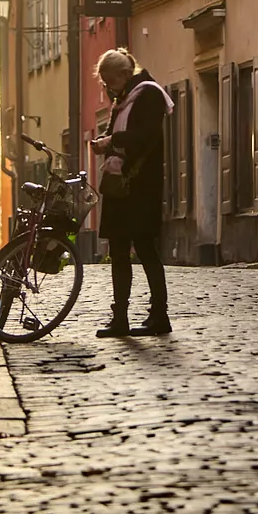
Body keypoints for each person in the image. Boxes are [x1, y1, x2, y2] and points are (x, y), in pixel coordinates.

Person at [89, 48, 173, 337]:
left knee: (146, 249)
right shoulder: (123, 98)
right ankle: (120, 317)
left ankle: (159, 315)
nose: (108, 88)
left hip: (141, 185)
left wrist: (111, 141)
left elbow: (145, 136)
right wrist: (105, 141)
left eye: (110, 81)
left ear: (125, 74)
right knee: (119, 252)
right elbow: (117, 134)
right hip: (120, 184)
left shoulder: (148, 94)